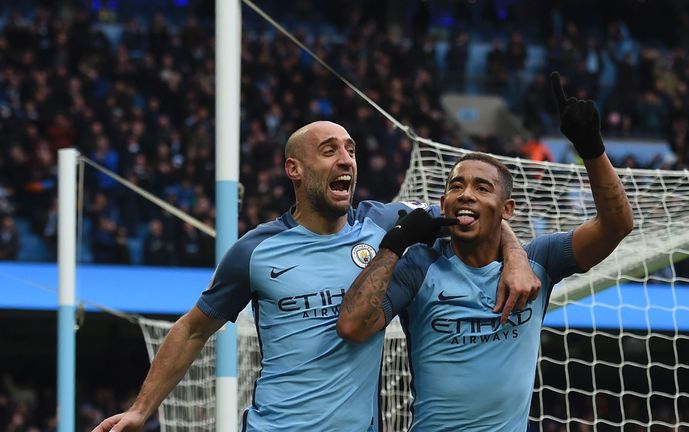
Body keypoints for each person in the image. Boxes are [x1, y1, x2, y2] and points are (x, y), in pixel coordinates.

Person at [92, 120, 540, 432]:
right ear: (295, 169)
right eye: (330, 151)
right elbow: (192, 329)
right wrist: (140, 410)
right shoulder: (256, 250)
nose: (346, 159)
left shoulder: (388, 223)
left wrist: (516, 255)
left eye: (350, 150)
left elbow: (468, 213)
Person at [336, 73, 634, 431]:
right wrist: (394, 245)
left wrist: (592, 149)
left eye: (482, 187)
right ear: (443, 201)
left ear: (506, 208)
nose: (466, 194)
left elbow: (616, 226)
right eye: (456, 186)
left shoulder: (541, 260)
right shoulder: (419, 266)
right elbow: (352, 326)